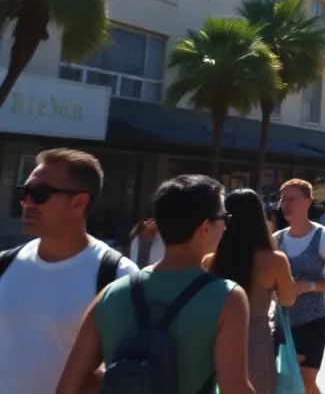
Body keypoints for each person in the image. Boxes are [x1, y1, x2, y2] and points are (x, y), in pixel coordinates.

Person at [57, 174, 256, 394]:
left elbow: (67, 388)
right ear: (204, 228)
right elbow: (234, 388)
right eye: (224, 218)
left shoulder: (110, 294)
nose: (226, 227)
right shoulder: (228, 296)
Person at [0, 148, 138, 394]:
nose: (27, 202)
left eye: (40, 194)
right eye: (25, 192)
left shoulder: (117, 275)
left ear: (79, 201)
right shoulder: (5, 264)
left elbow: (127, 369)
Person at [206, 188, 298, 394]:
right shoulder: (274, 260)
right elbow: (288, 299)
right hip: (257, 337)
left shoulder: (210, 260)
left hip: (216, 338)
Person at [274, 179, 325, 394]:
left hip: (312, 319)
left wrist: (309, 285)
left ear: (307, 202)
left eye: (291, 199)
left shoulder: (323, 236)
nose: (285, 204)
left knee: (304, 380)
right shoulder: (276, 239)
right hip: (281, 320)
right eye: (282, 199)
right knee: (289, 380)